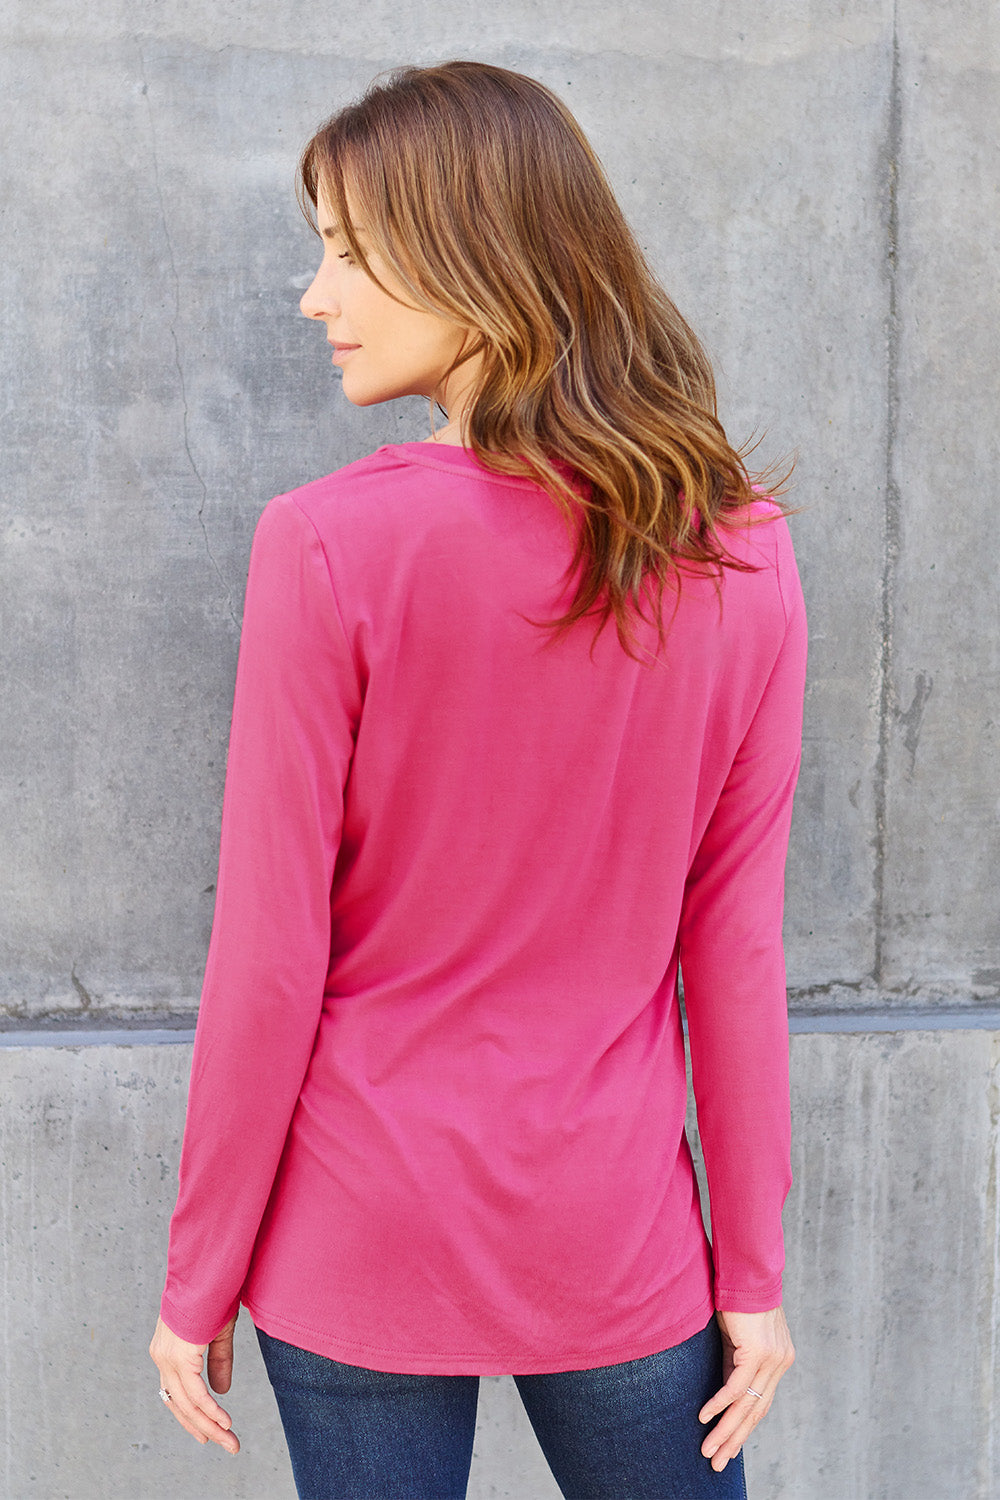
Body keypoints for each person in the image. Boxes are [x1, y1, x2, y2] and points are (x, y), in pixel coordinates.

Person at [150, 59, 803, 1500]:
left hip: (356, 1227)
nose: (316, 296)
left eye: (351, 252)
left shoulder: (328, 546)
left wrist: (196, 1281)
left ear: (479, 262)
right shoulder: (741, 550)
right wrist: (750, 1269)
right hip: (620, 1229)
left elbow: (269, 957)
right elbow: (735, 946)